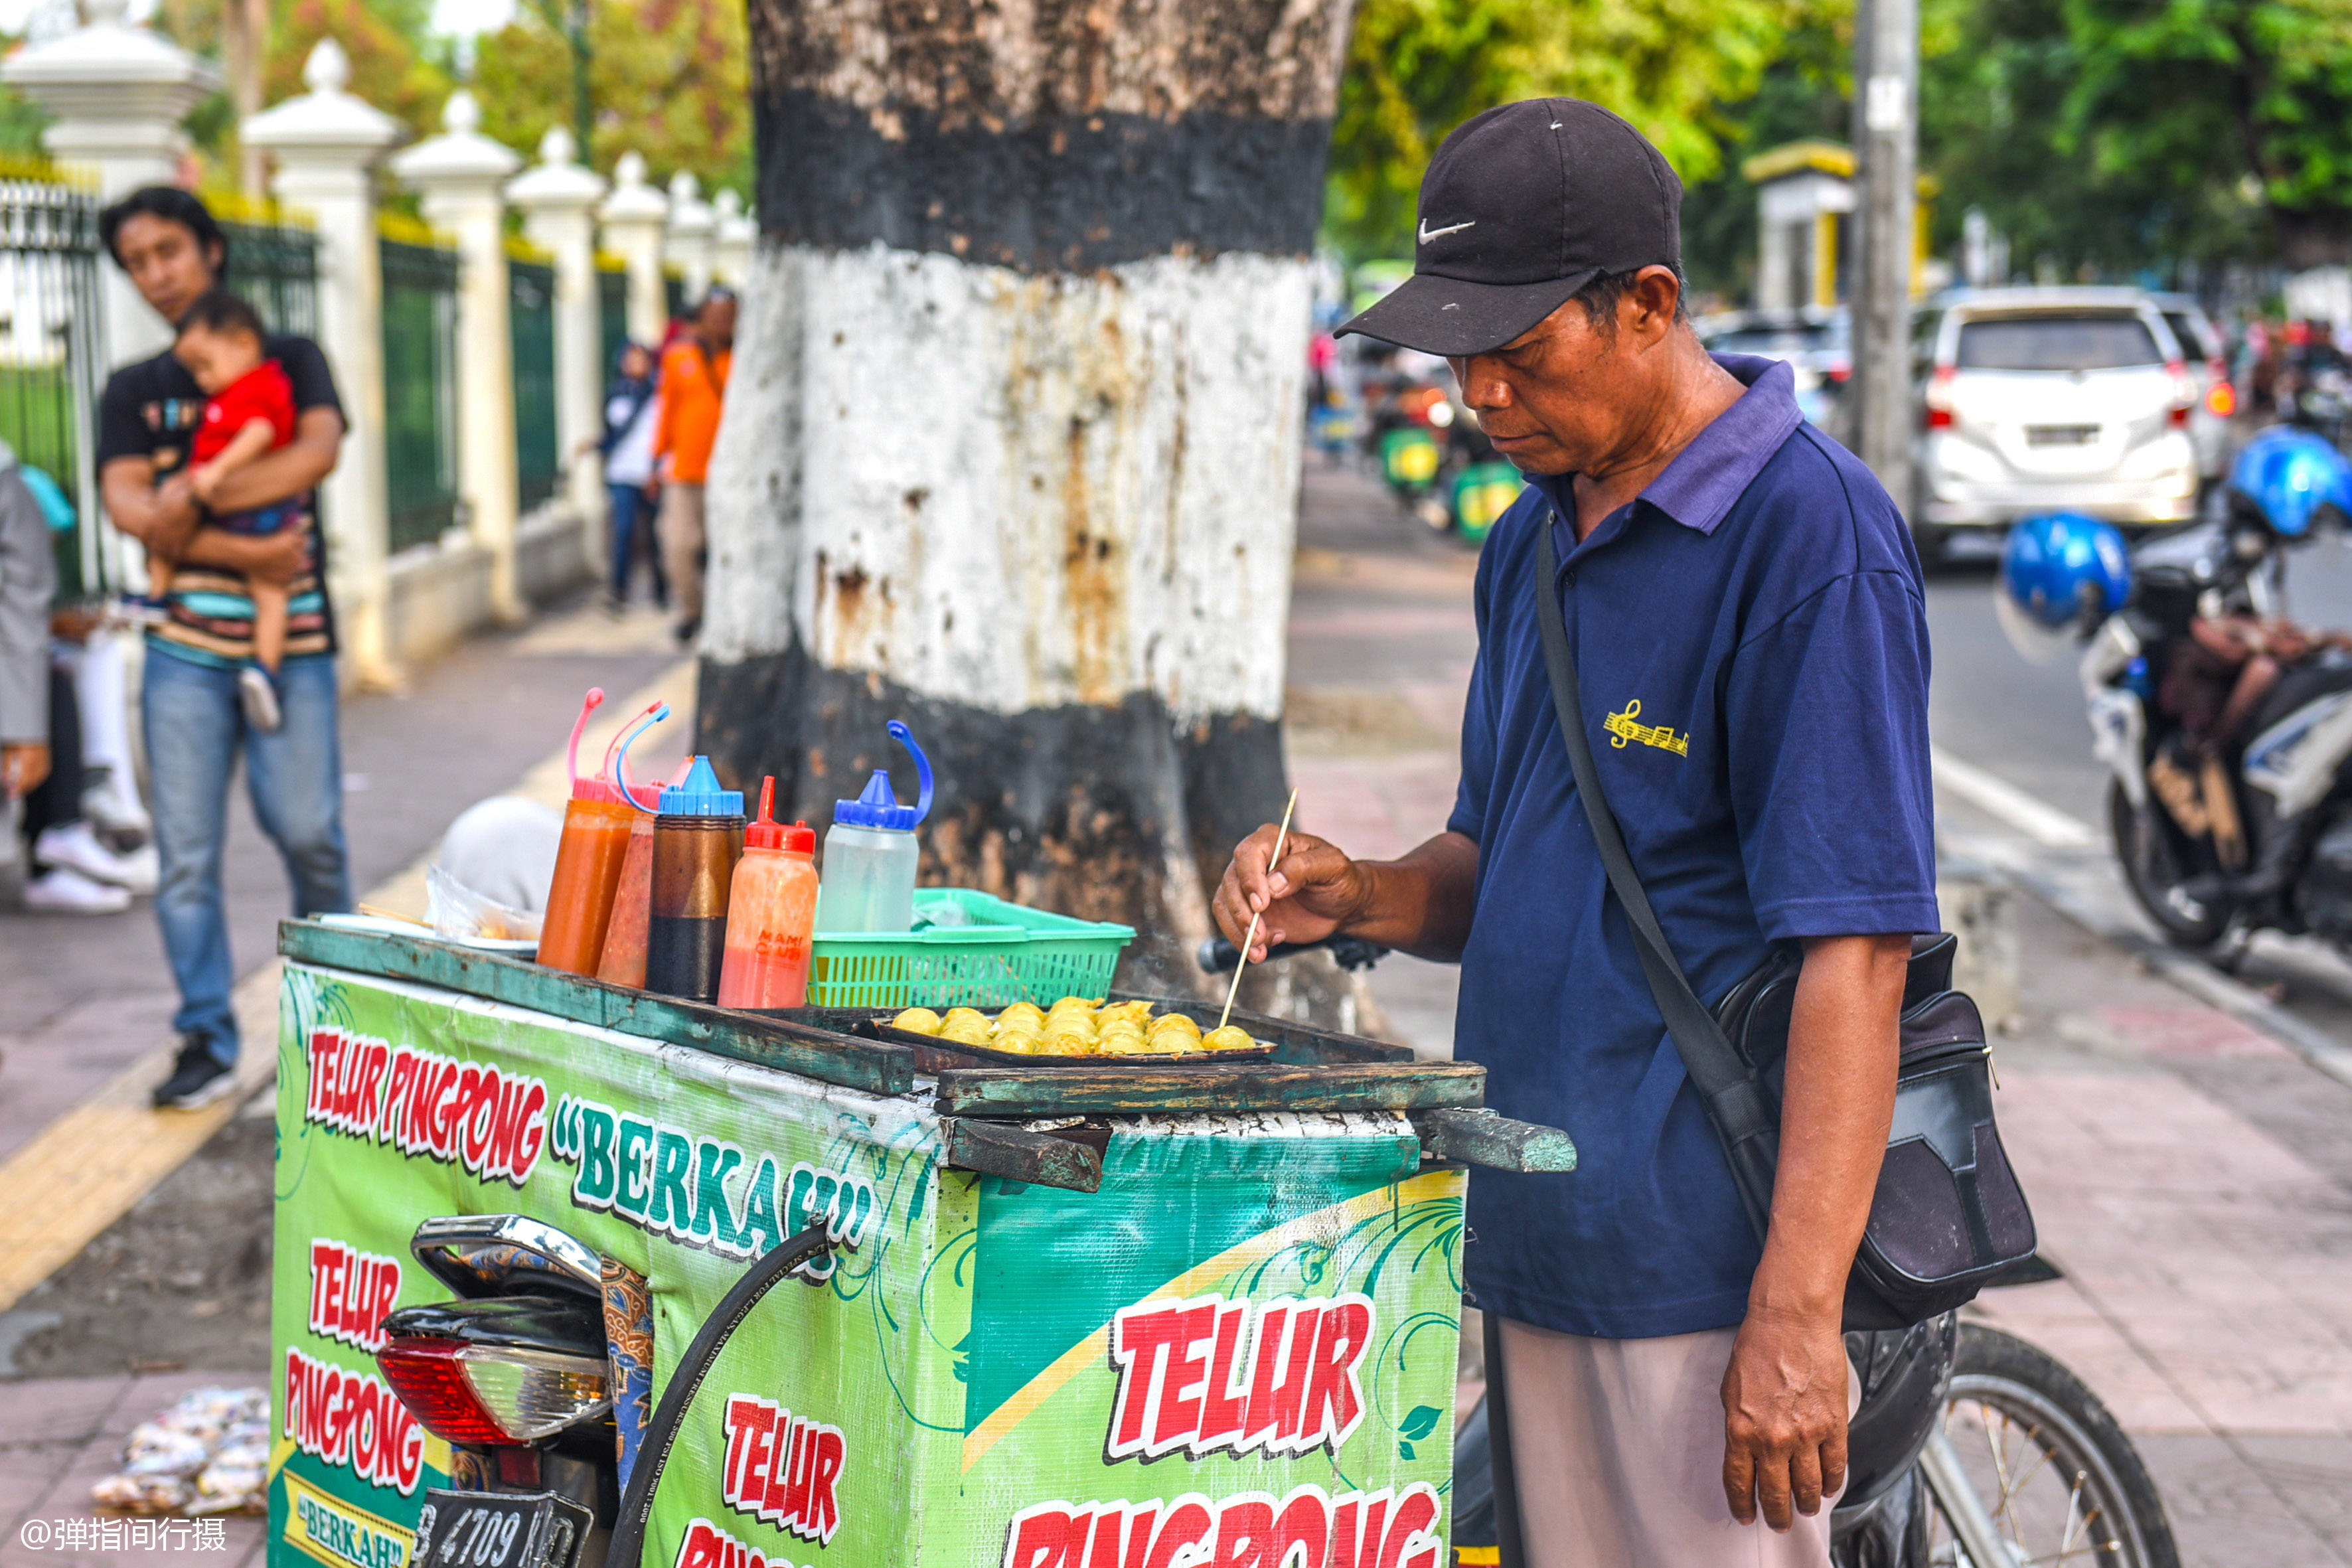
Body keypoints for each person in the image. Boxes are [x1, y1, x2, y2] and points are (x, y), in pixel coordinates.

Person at [1214, 101, 1934, 1567]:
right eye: (1456, 352)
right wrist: (1354, 890)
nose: (1479, 390)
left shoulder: (1810, 543)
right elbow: (1499, 860)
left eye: (1521, 349)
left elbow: (1853, 953)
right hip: (1537, 1226)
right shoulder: (1529, 536)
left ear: (1648, 306)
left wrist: (1793, 1315)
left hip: (1701, 1271)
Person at [94, 187, 353, 1110]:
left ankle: (340, 1033)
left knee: (310, 831)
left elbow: (313, 455)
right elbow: (128, 511)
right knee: (187, 857)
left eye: (169, 250)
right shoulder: (134, 390)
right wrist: (242, 544)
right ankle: (206, 1035)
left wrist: (187, 506)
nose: (155, 272)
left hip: (296, 644)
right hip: (185, 650)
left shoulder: (288, 358)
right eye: (137, 260)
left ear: (210, 250)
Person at [149, 289, 304, 732]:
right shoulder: (232, 390)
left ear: (243, 344)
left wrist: (216, 473)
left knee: (270, 593)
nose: (200, 378)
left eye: (204, 365)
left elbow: (259, 432)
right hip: (225, 503)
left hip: (260, 508)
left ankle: (265, 671)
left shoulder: (259, 387)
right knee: (161, 533)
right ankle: (156, 600)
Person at [653, 289, 734, 644]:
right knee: (677, 547)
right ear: (701, 318)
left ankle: (724, 616)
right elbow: (666, 409)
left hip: (731, 475)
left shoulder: (745, 358)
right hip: (685, 472)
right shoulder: (678, 357)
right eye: (715, 315)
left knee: (725, 552)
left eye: (730, 315)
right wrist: (656, 460)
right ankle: (693, 611)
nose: (722, 322)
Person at [599, 341, 665, 609]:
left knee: (654, 535)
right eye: (631, 359)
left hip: (650, 474)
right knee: (624, 531)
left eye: (641, 359)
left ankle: (661, 589)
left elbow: (662, 435)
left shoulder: (658, 394)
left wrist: (657, 470)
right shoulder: (614, 394)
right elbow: (611, 433)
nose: (636, 365)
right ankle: (619, 590)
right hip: (621, 473)